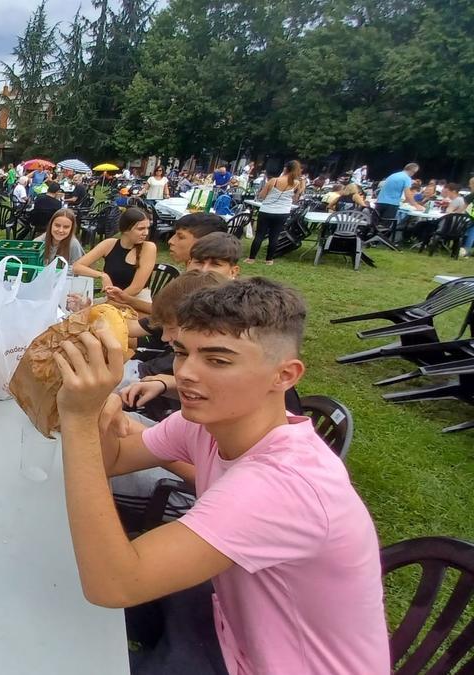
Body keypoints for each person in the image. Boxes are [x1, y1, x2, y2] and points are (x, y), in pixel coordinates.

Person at [56, 277, 388, 673]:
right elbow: (112, 461)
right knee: (57, 603)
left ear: (285, 375)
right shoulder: (208, 422)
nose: (188, 373)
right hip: (233, 625)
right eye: (182, 352)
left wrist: (77, 420)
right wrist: (100, 417)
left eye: (218, 360)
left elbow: (113, 584)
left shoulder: (283, 484)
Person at [73, 207, 157, 301]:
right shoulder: (109, 244)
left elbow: (136, 288)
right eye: (141, 229)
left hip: (136, 300)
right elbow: (77, 267)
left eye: (147, 228)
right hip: (112, 299)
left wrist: (111, 302)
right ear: (125, 230)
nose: (146, 233)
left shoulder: (148, 248)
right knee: (77, 308)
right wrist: (102, 275)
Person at [247, 159, 303, 265]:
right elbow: (296, 199)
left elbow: (261, 196)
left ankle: (251, 258)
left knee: (260, 235)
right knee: (275, 235)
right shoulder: (296, 184)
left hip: (267, 210)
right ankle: (269, 259)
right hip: (282, 212)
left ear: (285, 169)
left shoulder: (274, 181)